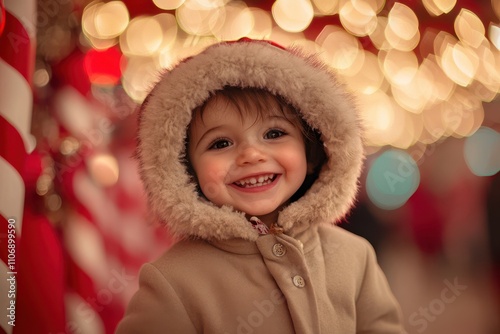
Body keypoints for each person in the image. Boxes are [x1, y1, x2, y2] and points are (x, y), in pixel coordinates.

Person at [116, 39, 405, 333]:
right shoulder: (173, 281)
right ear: (185, 172)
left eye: (274, 133)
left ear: (313, 150)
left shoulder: (354, 256)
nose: (251, 155)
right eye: (221, 143)